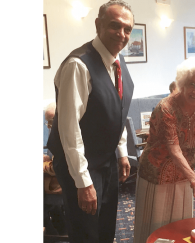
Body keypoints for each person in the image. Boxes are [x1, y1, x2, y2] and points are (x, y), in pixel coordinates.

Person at [47, 1, 135, 242]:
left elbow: (117, 109)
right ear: (98, 24)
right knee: (86, 231)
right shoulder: (79, 64)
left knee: (106, 226)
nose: (122, 34)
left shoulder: (118, 61)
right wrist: (83, 182)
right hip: (80, 164)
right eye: (115, 26)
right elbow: (69, 128)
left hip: (106, 160)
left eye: (127, 29)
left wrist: (122, 152)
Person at [133, 57, 195, 243]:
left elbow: (191, 143)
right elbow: (174, 148)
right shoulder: (166, 107)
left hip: (183, 174)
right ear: (182, 84)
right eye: (191, 84)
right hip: (157, 174)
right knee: (156, 226)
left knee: (181, 225)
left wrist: (191, 173)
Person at [43, 102, 66, 236]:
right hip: (56, 174)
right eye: (47, 122)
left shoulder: (64, 136)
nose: (49, 126)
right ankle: (57, 221)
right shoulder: (57, 132)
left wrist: (45, 166)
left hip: (61, 179)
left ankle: (46, 222)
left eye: (50, 121)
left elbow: (60, 166)